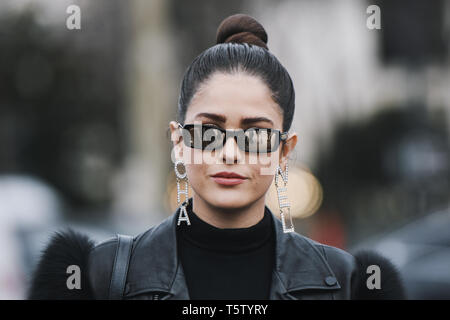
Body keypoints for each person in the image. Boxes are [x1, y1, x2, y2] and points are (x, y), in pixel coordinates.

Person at [27, 14, 404, 300]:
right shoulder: (99, 275)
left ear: (284, 151)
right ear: (178, 141)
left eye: (255, 134)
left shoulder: (347, 283)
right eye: (209, 131)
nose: (229, 152)